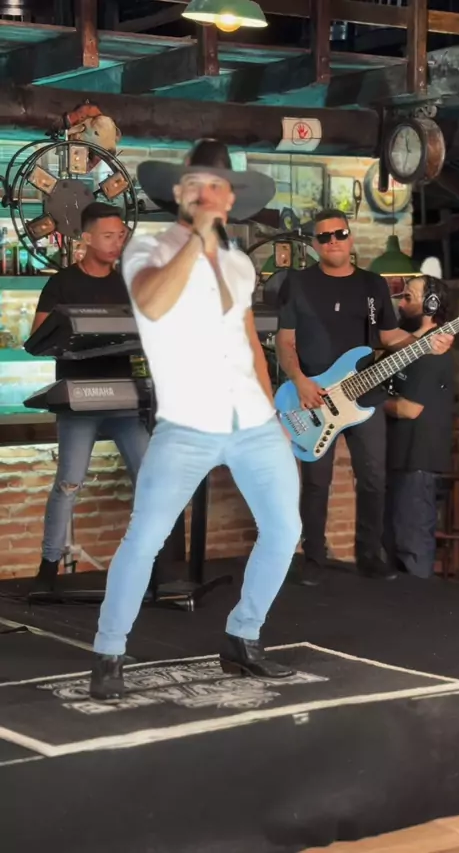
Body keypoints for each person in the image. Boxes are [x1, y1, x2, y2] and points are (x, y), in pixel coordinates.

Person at [90, 140, 302, 700]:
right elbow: (153, 304)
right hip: (187, 422)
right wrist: (197, 240)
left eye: (216, 187)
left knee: (285, 529)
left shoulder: (239, 263)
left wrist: (274, 413)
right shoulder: (147, 249)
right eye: (196, 186)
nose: (206, 195)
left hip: (253, 421)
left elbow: (249, 343)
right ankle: (109, 651)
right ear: (179, 194)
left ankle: (243, 637)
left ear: (230, 198)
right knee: (146, 537)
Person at [275, 210, 453, 585]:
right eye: (324, 237)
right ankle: (314, 557)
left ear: (350, 237)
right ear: (315, 244)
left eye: (339, 233)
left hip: (366, 394)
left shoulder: (372, 284)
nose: (333, 241)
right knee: (316, 483)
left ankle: (369, 555)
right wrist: (300, 381)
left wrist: (425, 344)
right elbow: (285, 340)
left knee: (373, 478)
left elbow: (389, 337)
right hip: (314, 396)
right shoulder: (298, 283)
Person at [30, 202, 150, 593]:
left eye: (121, 235)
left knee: (150, 478)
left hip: (124, 399)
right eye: (108, 236)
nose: (117, 243)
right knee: (68, 483)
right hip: (78, 399)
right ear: (86, 239)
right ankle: (48, 567)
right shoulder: (62, 283)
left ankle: (150, 563)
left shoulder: (128, 283)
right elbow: (38, 338)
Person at [384, 275, 454, 579]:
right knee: (394, 543)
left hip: (417, 461)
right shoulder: (411, 346)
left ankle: (417, 605)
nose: (401, 304)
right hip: (402, 457)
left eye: (408, 297)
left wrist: (368, 402)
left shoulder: (433, 352)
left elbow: (408, 408)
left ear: (431, 305)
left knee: (411, 545)